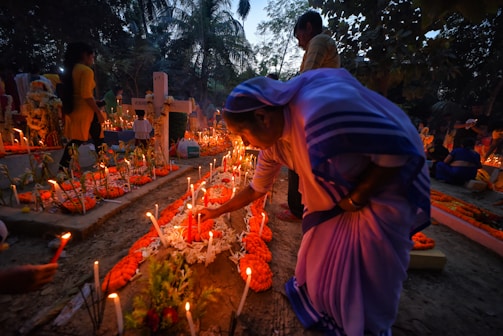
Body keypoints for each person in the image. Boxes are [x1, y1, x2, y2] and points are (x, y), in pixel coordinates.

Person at [198, 68, 430, 335]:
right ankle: (330, 314)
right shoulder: (273, 145)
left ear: (262, 117)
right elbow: (255, 189)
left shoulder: (317, 112)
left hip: (380, 197)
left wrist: (356, 199)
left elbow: (397, 150)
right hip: (335, 206)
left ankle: (366, 328)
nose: (244, 143)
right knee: (320, 265)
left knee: (370, 279)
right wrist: (216, 211)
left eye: (243, 135)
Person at [278, 10, 341, 222]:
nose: (299, 42)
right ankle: (299, 204)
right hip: (319, 109)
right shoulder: (321, 42)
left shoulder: (320, 40)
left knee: (299, 157)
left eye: (299, 36)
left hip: (319, 111)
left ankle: (298, 209)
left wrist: (281, 96)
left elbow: (307, 77)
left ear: (308, 27)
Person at [59, 42, 105, 169]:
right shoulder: (86, 71)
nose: (93, 60)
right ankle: (62, 168)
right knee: (78, 140)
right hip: (86, 110)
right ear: (85, 55)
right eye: (92, 57)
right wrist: (98, 111)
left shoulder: (71, 70)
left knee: (97, 135)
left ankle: (102, 164)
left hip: (75, 109)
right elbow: (86, 95)